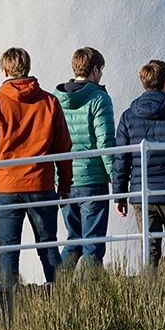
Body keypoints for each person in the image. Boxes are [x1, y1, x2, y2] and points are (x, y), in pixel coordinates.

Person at [0, 47, 73, 287]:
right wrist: (65, 184)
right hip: (41, 183)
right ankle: (63, 302)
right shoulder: (49, 102)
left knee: (9, 250)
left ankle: (10, 307)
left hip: (7, 187)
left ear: (5, 70)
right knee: (48, 245)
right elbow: (63, 147)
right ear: (27, 67)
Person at [111, 60, 165, 268]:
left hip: (142, 194)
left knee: (149, 248)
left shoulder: (128, 116)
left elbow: (121, 159)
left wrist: (120, 195)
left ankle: (151, 295)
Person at [52, 47, 117, 267]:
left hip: (65, 181)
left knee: (74, 241)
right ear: (95, 69)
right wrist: (115, 177)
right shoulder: (99, 99)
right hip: (92, 180)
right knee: (93, 245)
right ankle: (94, 293)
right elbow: (105, 142)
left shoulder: (55, 99)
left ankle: (57, 288)